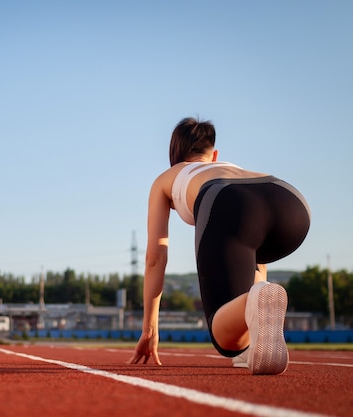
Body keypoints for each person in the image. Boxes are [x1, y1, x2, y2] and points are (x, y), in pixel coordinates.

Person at [127, 117, 310, 375]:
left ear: (175, 155)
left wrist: (149, 329)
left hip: (226, 200)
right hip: (289, 202)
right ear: (214, 155)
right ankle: (252, 344)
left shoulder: (167, 178)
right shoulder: (230, 167)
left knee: (224, 337)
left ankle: (246, 328)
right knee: (254, 293)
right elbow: (254, 249)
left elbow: (155, 258)